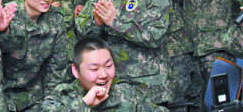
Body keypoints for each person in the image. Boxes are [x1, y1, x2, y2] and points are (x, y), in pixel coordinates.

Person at [76, 0, 173, 106]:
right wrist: (96, 23)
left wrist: (115, 23)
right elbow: (81, 31)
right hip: (114, 89)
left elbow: (155, 36)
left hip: (149, 90)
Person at [0, 0, 69, 111]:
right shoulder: (6, 18)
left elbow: (56, 70)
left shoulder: (55, 19)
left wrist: (50, 105)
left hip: (36, 98)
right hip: (2, 99)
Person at [40, 37, 169, 111]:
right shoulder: (60, 98)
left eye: (108, 66)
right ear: (75, 71)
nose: (103, 74)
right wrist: (84, 104)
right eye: (94, 69)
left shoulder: (124, 92)